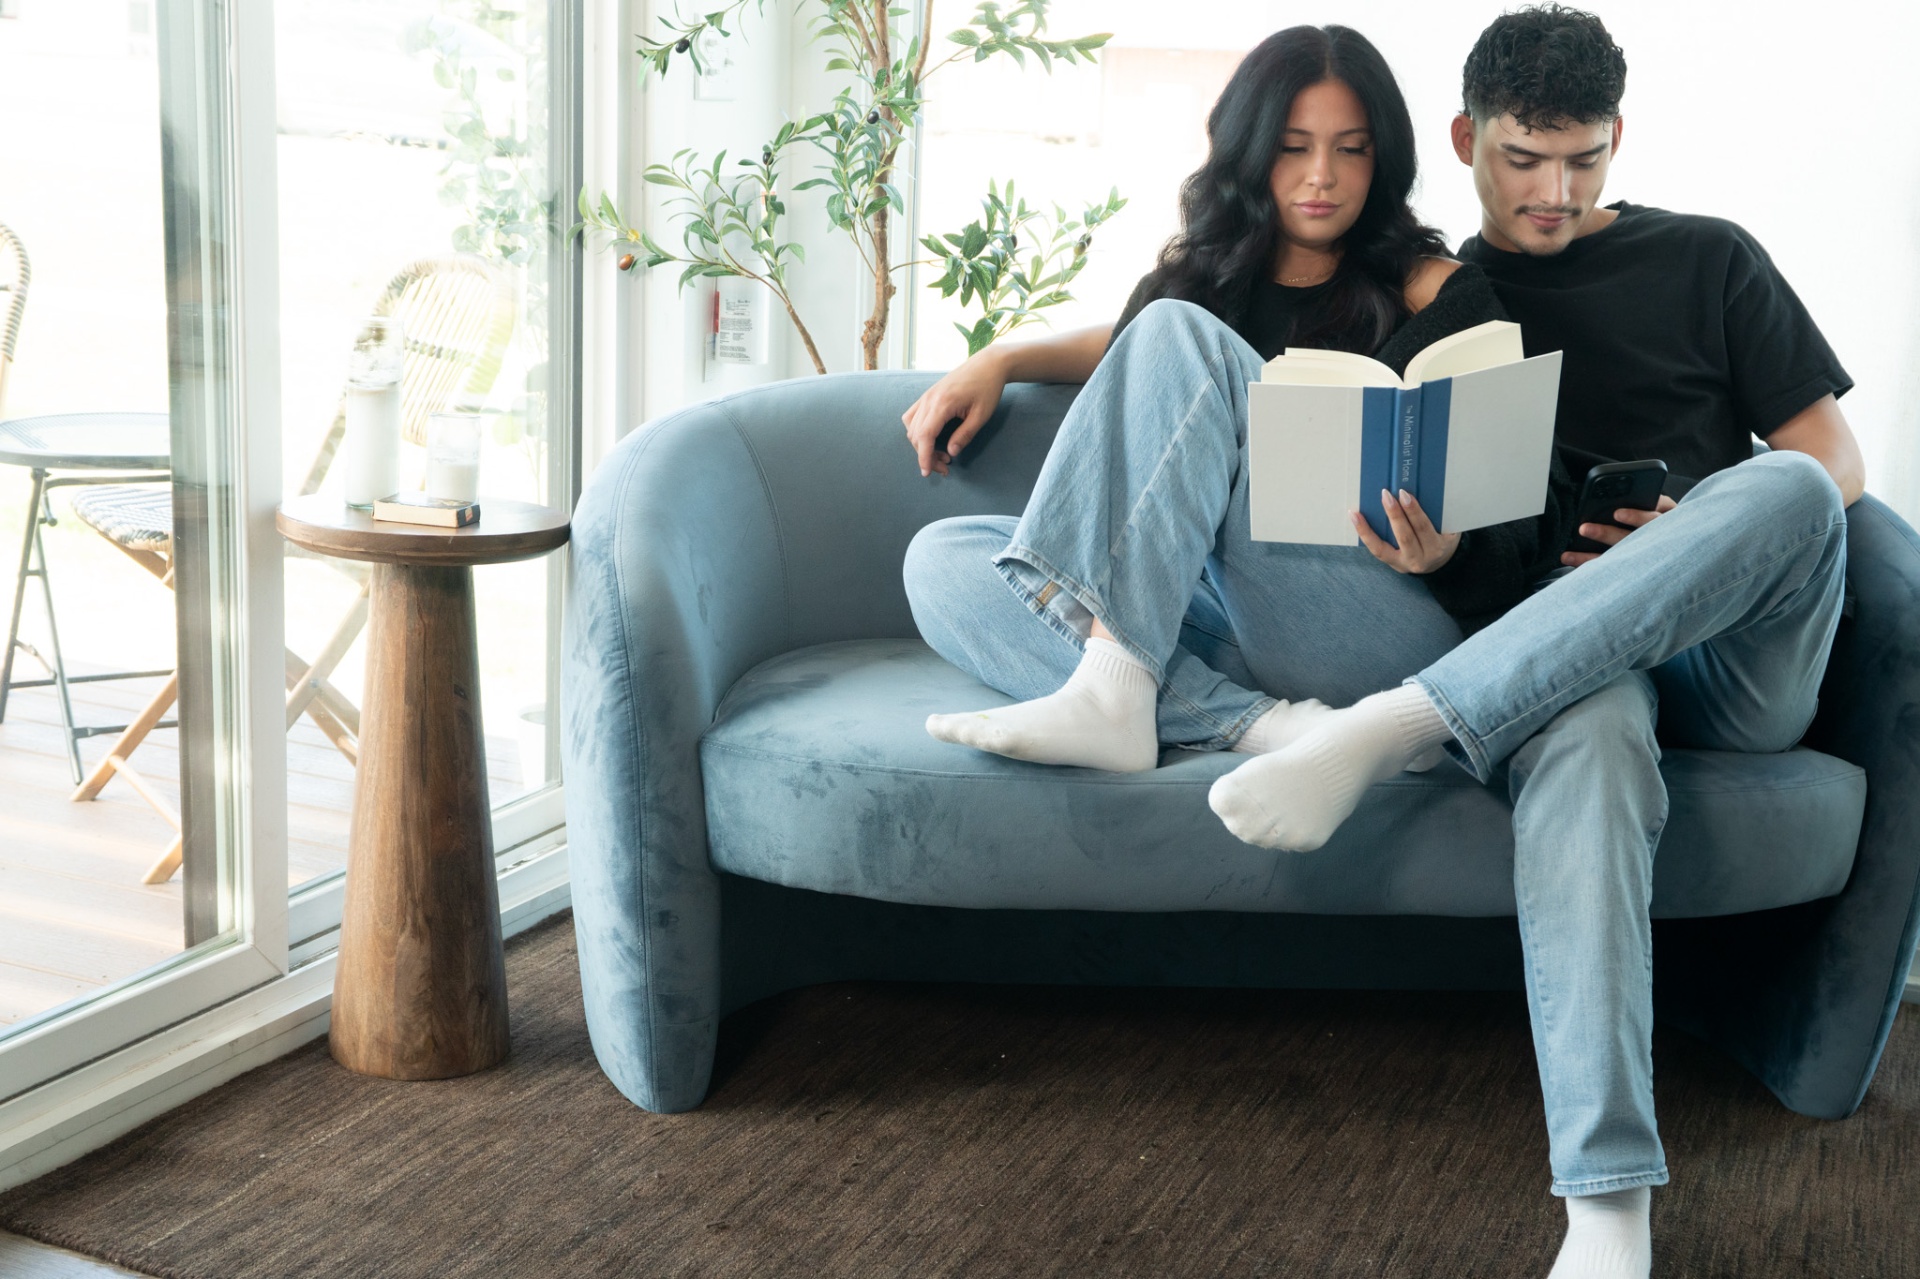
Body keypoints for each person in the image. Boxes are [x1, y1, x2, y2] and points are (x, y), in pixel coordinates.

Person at [1196, 9, 1862, 1278]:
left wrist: (1682, 545)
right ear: (1465, 139)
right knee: (1598, 732)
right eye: (1523, 160)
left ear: (1618, 143)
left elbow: (1833, 459)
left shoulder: (1713, 258)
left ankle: (1402, 725)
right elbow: (1185, 329)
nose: (1555, 192)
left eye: (1585, 159)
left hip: (1732, 655)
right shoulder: (1428, 297)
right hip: (1557, 668)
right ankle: (1610, 1208)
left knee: (1776, 490)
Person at [902, 24, 1571, 788]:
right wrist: (1003, 357)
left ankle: (1120, 691)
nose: (1322, 175)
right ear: (1250, 149)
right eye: (1293, 146)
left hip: (1382, 626)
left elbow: (1527, 532)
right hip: (1230, 630)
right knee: (944, 561)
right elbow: (1130, 348)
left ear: (1381, 159)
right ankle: (1264, 726)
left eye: (1351, 148)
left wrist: (1448, 553)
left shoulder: (1439, 293)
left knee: (1179, 334)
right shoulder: (1192, 292)